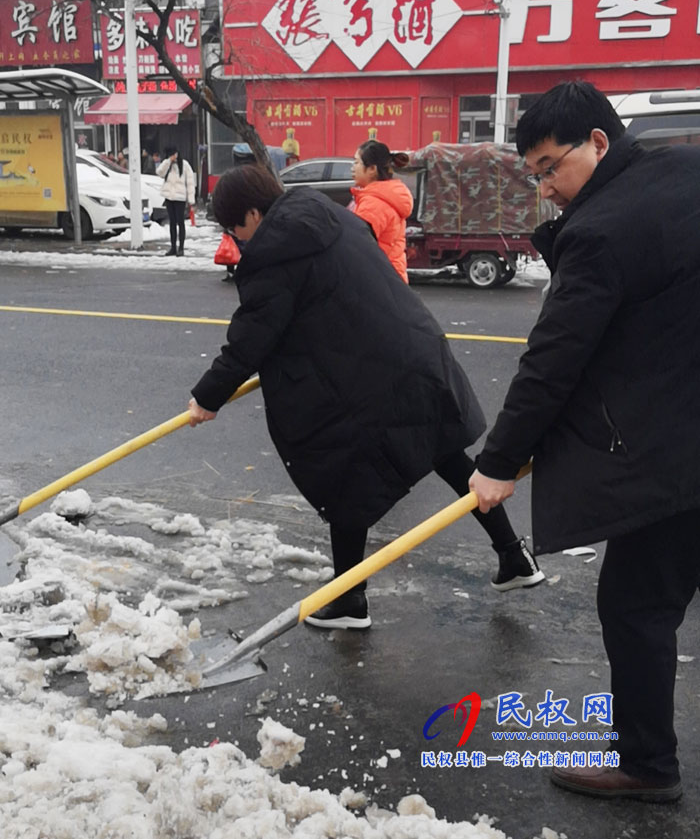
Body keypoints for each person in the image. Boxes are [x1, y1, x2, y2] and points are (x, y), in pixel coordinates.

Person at [468, 80, 700, 804]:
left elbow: (554, 357)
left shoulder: (601, 232)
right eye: (533, 174)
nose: (544, 188)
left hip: (677, 451)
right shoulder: (685, 171)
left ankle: (648, 767)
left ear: (599, 143)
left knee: (635, 604)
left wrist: (498, 464)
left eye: (549, 167)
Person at [187, 165, 543, 631]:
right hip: (412, 350)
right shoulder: (329, 217)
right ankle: (514, 558)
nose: (238, 239)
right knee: (449, 456)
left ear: (254, 213)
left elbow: (251, 337)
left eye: (236, 227)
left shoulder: (276, 253)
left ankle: (350, 599)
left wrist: (206, 398)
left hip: (372, 376)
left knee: (344, 478)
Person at [350, 140, 413, 283]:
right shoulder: (386, 195)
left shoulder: (374, 203)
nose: (352, 168)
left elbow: (356, 247)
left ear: (372, 169)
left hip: (378, 282)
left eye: (356, 162)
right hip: (391, 278)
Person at [156, 145, 195, 257]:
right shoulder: (167, 164)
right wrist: (168, 161)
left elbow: (190, 183)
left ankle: (181, 247)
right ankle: (173, 247)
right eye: (172, 154)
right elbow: (159, 172)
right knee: (172, 222)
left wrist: (191, 200)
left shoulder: (185, 165)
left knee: (180, 222)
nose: (174, 156)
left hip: (180, 197)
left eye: (175, 154)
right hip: (169, 196)